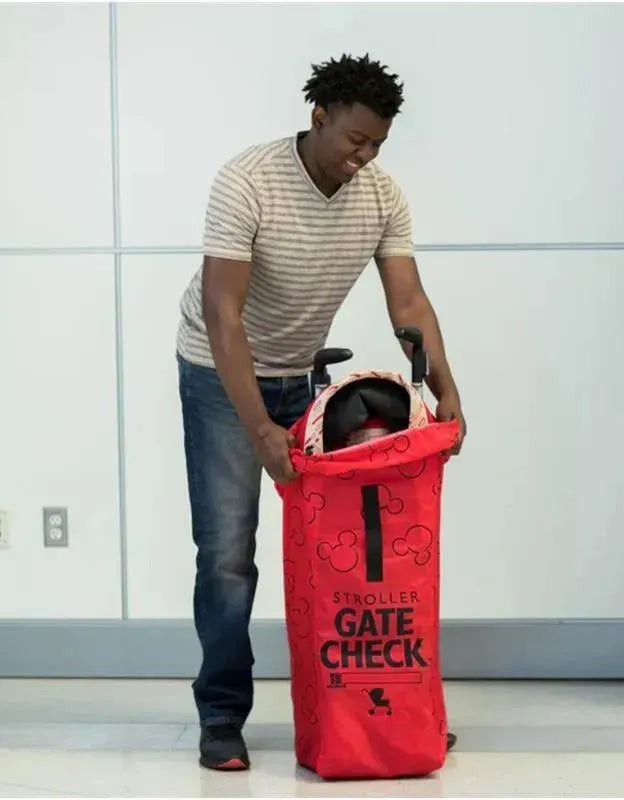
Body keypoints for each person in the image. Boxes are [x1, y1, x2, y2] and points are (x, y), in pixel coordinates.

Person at [176, 53, 467, 772]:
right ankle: (221, 716)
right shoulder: (248, 181)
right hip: (221, 374)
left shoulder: (381, 195)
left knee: (340, 554)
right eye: (356, 140)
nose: (365, 156)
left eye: (378, 144)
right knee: (228, 554)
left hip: (306, 376)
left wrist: (447, 393)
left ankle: (376, 708)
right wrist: (260, 428)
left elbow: (409, 302)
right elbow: (223, 313)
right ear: (320, 116)